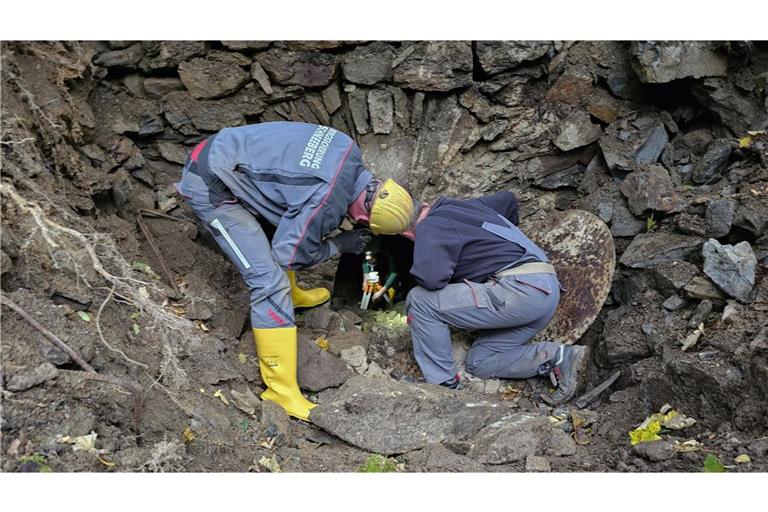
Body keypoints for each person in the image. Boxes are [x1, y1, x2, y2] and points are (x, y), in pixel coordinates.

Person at [177, 122, 416, 420]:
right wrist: (339, 245)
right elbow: (289, 255)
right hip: (210, 183)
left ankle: (294, 295)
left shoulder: (348, 149)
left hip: (227, 149)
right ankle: (280, 391)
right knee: (269, 281)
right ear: (366, 217)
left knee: (290, 217)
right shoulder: (325, 201)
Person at [404, 191, 588, 405]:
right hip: (544, 290)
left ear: (408, 233)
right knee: (480, 362)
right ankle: (558, 356)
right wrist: (497, 251)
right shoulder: (462, 207)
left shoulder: (428, 226)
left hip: (519, 290)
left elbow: (431, 281)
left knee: (420, 300)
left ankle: (444, 387)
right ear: (422, 202)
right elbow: (509, 199)